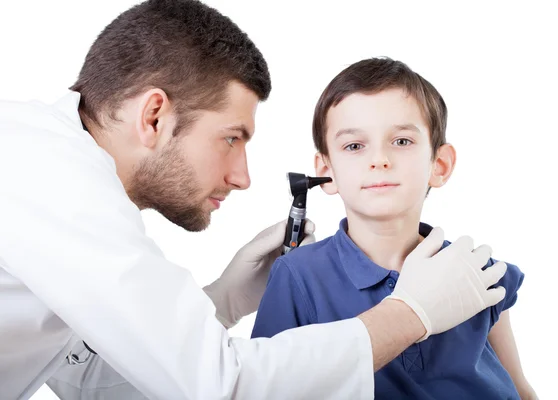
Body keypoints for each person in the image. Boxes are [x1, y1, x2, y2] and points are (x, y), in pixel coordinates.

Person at [0, 1, 509, 399]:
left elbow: (90, 384)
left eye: (401, 141)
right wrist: (412, 314)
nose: (243, 176)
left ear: (439, 163)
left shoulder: (50, 183)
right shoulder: (50, 177)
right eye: (231, 137)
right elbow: (223, 389)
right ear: (154, 116)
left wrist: (225, 298)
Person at [251, 57, 538, 399]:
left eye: (401, 141)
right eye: (354, 146)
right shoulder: (298, 277)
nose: (379, 159)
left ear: (440, 165)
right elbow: (262, 387)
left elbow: (520, 387)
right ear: (325, 171)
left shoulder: (474, 267)